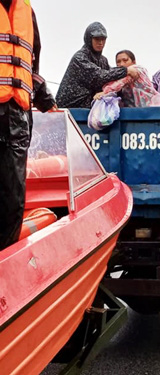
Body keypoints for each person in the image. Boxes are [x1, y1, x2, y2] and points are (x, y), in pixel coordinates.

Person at [0, 0, 56, 250]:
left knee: (13, 197)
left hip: (17, 117)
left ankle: (6, 259)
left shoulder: (27, 12)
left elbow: (31, 62)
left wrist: (43, 96)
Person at [56, 22, 139, 108]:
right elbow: (98, 76)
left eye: (103, 39)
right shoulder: (80, 57)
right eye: (97, 39)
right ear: (89, 39)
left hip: (90, 108)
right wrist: (125, 71)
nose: (101, 42)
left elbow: (111, 78)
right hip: (71, 109)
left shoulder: (103, 60)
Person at [94, 50, 160, 108]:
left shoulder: (136, 70)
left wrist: (104, 92)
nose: (121, 64)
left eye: (125, 60)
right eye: (118, 62)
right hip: (137, 109)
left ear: (134, 61)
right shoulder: (121, 73)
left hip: (150, 104)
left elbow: (121, 82)